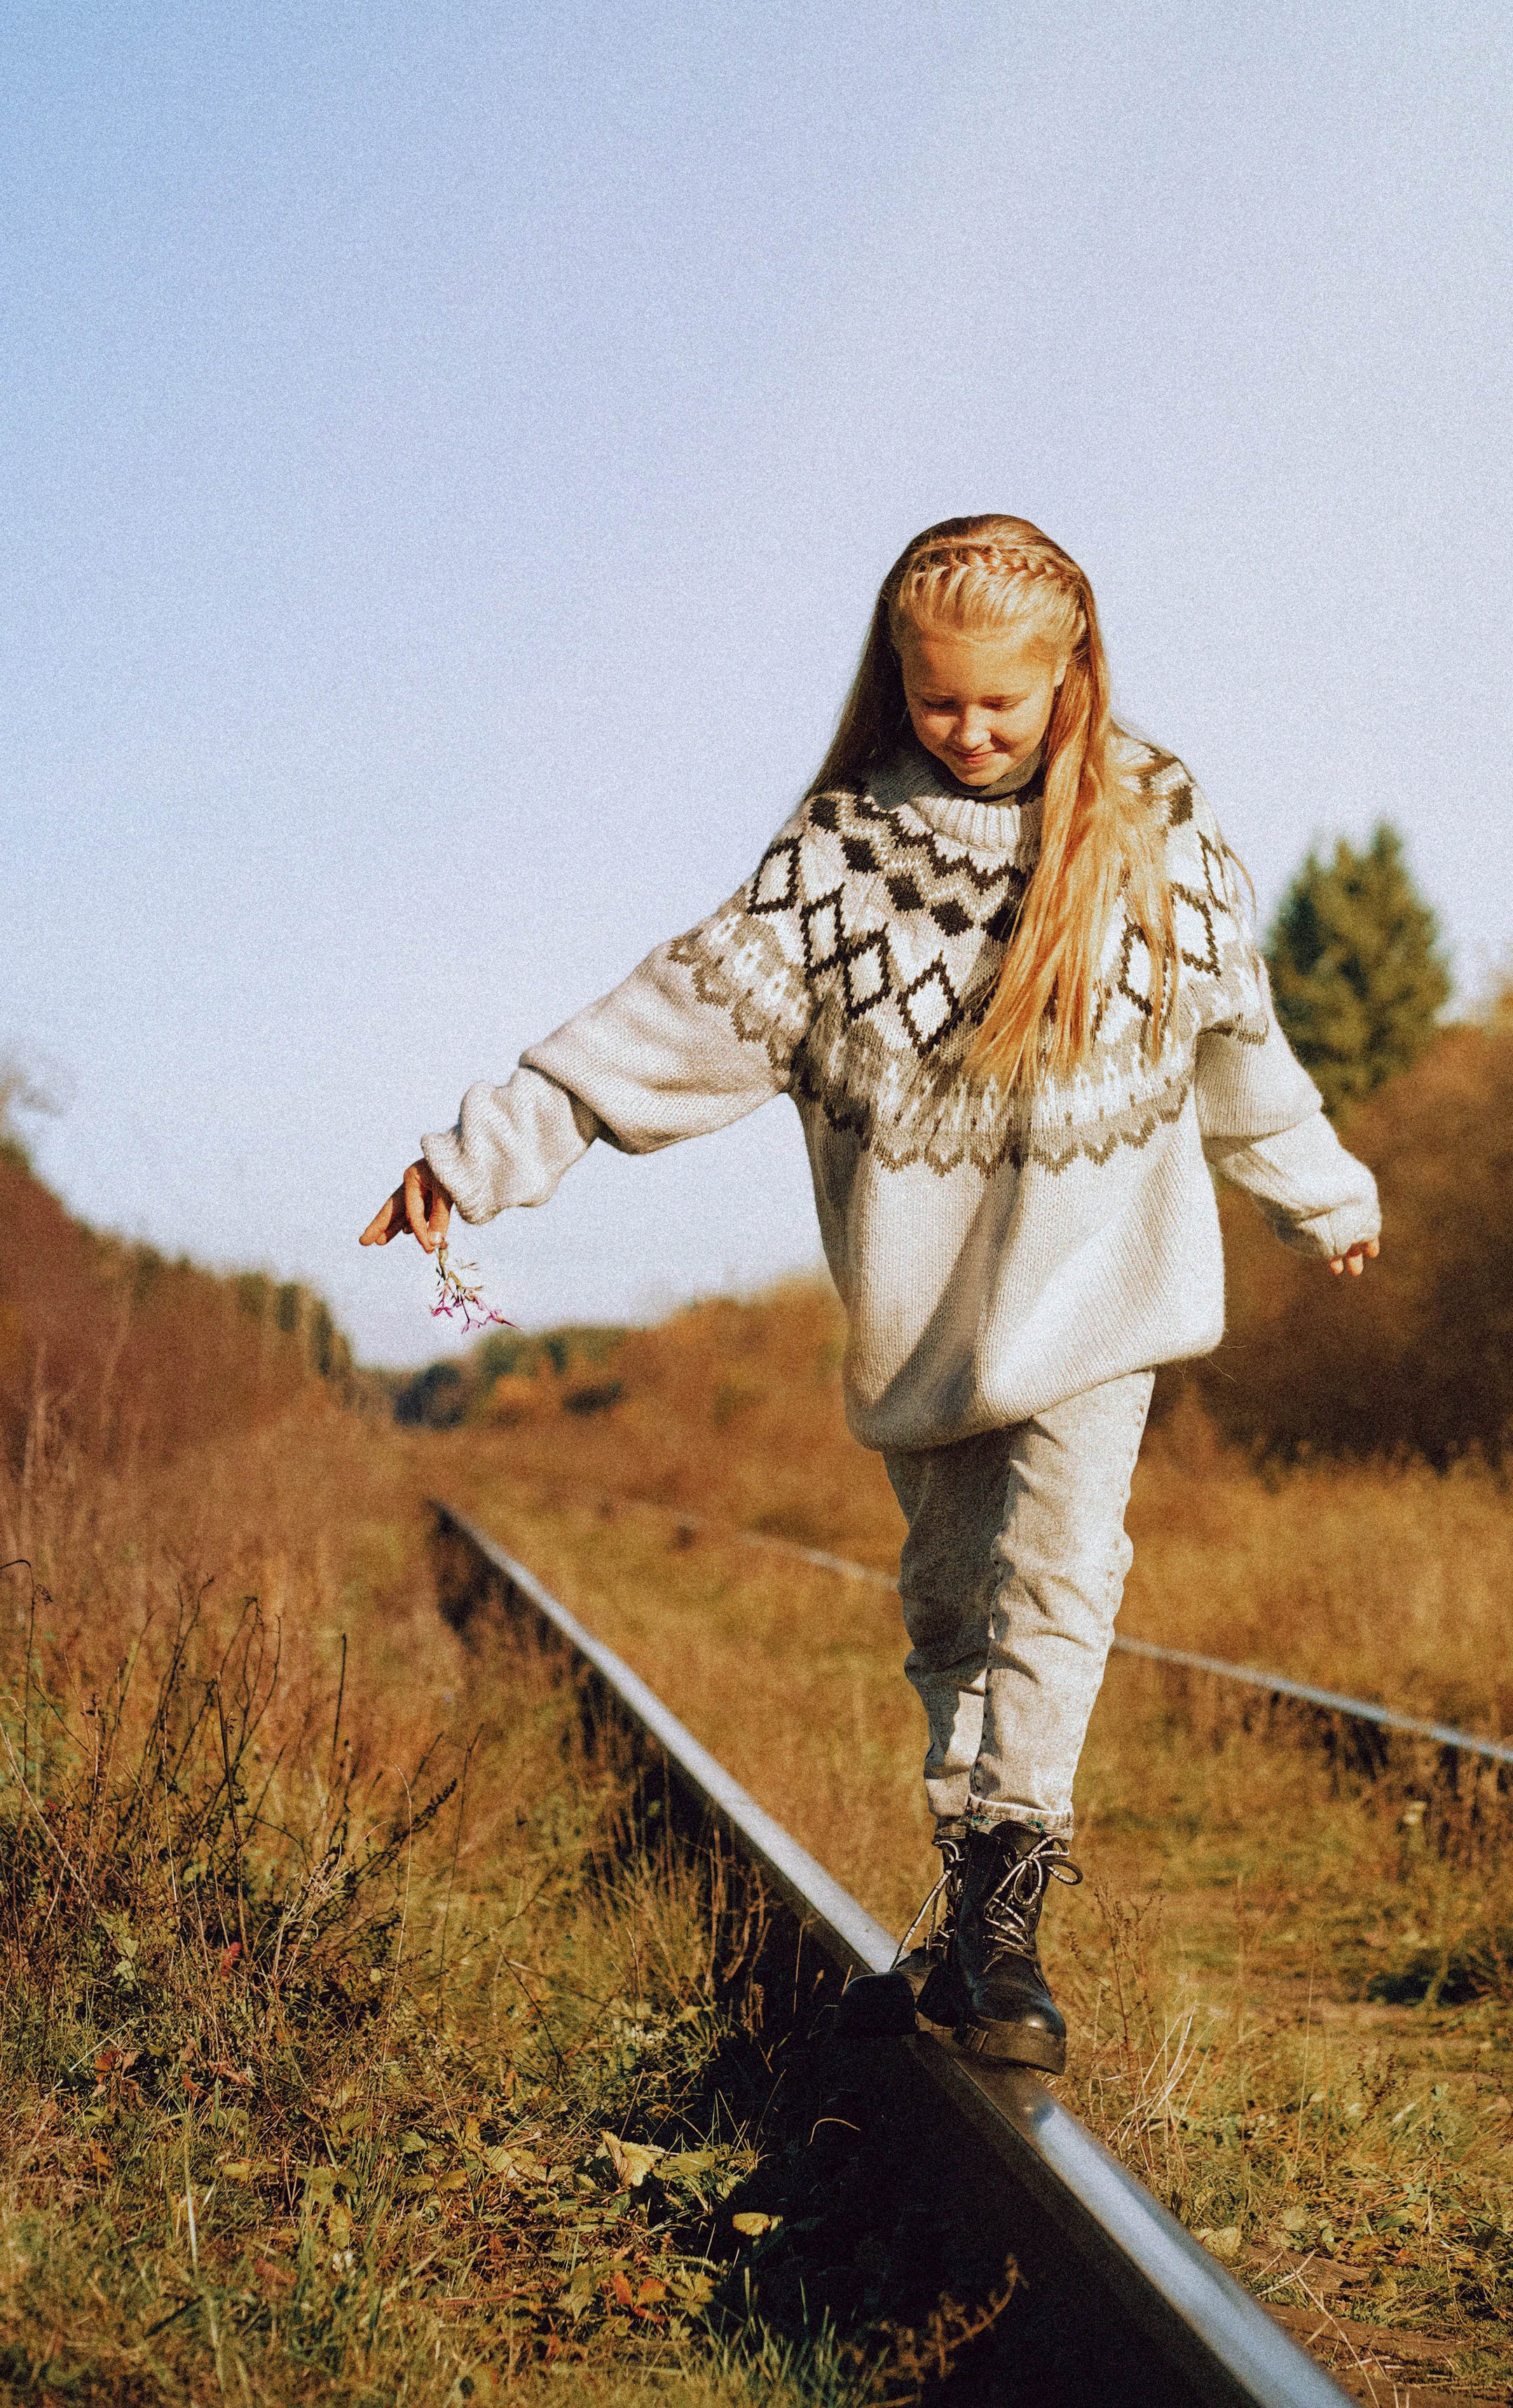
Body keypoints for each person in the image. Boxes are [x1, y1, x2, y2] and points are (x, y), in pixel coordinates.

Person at [363, 515, 1379, 2075]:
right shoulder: (843, 863)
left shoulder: (1155, 831)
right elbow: (667, 1021)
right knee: (948, 1602)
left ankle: (1001, 1924)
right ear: (895, 685)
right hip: (924, 1317)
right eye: (938, 704)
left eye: (1001, 705)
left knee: (1058, 1575)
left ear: (1072, 678)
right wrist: (479, 1154)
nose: (969, 733)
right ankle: (970, 1883)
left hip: (1108, 1294)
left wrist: (1318, 1192)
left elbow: (1240, 1047)